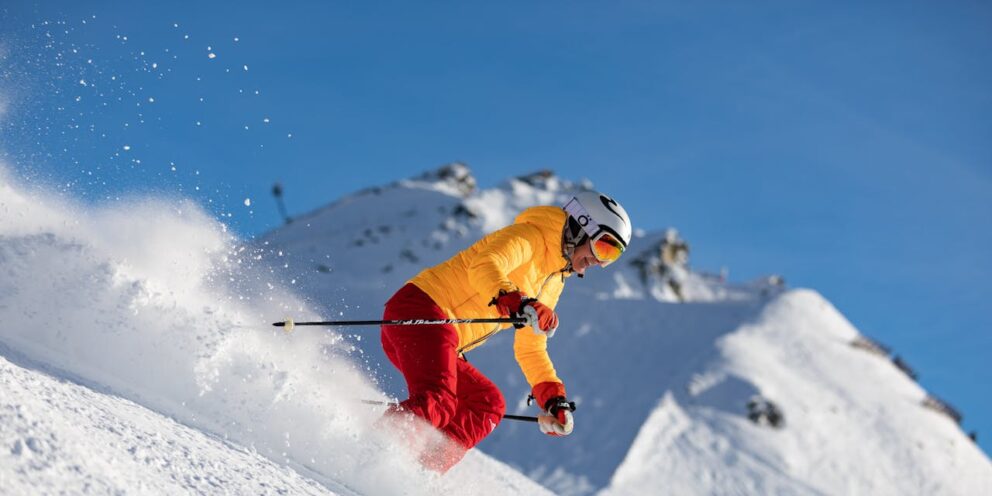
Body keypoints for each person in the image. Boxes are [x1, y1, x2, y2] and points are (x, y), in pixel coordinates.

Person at [379, 191, 632, 472]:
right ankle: (373, 449)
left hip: (443, 338)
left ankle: (417, 473)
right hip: (423, 309)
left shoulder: (554, 280)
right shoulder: (530, 236)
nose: (599, 262)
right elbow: (484, 264)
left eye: (611, 256)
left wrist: (553, 399)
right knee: (440, 401)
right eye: (603, 248)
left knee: (486, 404)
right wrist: (516, 300)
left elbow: (530, 347)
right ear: (581, 227)